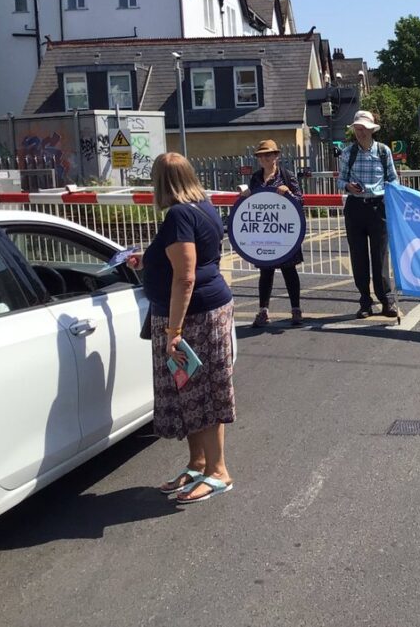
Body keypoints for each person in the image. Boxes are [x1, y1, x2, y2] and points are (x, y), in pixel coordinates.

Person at [129, 152, 236, 501]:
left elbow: (186, 276)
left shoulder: (177, 214)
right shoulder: (202, 205)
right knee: (189, 392)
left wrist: (173, 332)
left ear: (160, 182)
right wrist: (148, 258)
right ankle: (198, 464)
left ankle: (217, 472)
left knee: (201, 392)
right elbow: (190, 255)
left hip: (194, 317)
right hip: (201, 310)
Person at [337, 110, 399, 318]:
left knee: (380, 256)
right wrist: (348, 186)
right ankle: (365, 301)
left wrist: (393, 197)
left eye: (363, 129)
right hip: (355, 207)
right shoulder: (348, 153)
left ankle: (387, 300)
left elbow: (393, 178)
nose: (360, 133)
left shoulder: (383, 152)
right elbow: (340, 181)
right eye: (357, 129)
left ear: (372, 130)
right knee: (358, 256)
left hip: (378, 206)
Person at [244, 139, 305, 327]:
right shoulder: (255, 178)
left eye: (267, 155)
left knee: (289, 271)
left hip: (285, 232)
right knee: (266, 272)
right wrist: (245, 195)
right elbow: (252, 203)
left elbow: (299, 201)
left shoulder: (287, 176)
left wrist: (288, 193)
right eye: (261, 155)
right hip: (265, 232)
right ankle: (263, 311)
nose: (264, 158)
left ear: (276, 156)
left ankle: (296, 310)